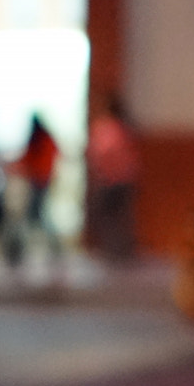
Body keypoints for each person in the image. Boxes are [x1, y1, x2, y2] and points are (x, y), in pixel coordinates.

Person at [87, 95, 140, 262]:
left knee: (107, 216)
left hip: (111, 180)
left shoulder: (107, 128)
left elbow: (101, 153)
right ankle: (121, 251)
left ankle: (115, 252)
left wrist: (100, 172)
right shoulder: (126, 128)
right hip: (127, 179)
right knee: (121, 216)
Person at [7, 114, 61, 267]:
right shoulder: (43, 140)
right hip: (40, 182)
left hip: (39, 182)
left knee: (35, 217)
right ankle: (52, 248)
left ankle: (19, 249)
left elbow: (31, 161)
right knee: (38, 217)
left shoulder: (41, 140)